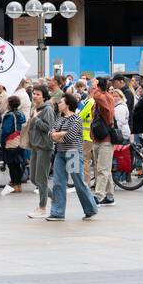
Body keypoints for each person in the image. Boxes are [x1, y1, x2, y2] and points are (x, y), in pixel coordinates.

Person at [47, 93, 99, 222]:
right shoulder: (59, 117)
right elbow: (50, 133)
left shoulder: (76, 119)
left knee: (78, 182)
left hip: (72, 153)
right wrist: (59, 134)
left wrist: (57, 135)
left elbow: (69, 137)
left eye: (61, 102)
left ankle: (90, 209)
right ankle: (57, 212)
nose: (59, 104)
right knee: (58, 183)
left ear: (68, 104)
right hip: (60, 153)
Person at [27, 85, 56, 219]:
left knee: (41, 179)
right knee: (33, 178)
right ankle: (55, 197)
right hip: (34, 146)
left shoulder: (47, 109)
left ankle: (42, 207)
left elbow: (48, 128)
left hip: (44, 147)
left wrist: (36, 119)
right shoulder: (35, 108)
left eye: (38, 94)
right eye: (34, 93)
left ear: (44, 96)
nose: (35, 96)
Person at [0, 95, 28, 194]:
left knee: (12, 165)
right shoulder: (21, 114)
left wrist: (2, 141)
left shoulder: (9, 115)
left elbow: (6, 130)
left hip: (11, 142)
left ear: (9, 104)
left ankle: (15, 185)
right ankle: (18, 185)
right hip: (20, 140)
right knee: (18, 163)